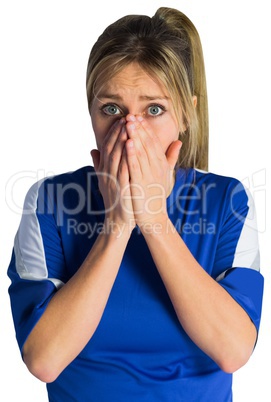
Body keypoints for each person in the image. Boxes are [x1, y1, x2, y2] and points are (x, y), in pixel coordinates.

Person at [7, 7, 264, 401]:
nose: (130, 132)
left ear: (186, 113)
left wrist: (154, 218)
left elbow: (233, 351)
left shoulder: (227, 201)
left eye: (154, 110)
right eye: (111, 109)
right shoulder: (50, 202)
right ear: (91, 112)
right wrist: (118, 224)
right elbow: (44, 359)